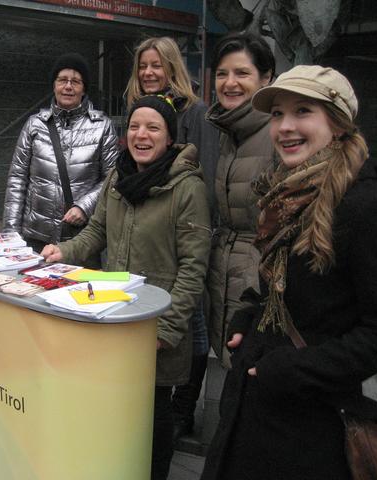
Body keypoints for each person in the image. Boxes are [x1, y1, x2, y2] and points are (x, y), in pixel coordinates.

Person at [201, 65, 377, 479]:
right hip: (256, 414)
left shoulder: (364, 205)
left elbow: (375, 334)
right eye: (278, 114)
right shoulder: (284, 194)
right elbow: (282, 290)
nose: (285, 126)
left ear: (337, 124)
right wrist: (250, 314)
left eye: (303, 112)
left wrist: (292, 371)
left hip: (311, 431)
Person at [42, 95, 210, 479]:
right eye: (134, 126)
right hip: (116, 313)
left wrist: (166, 330)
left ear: (169, 138)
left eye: (153, 128)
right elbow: (97, 232)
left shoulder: (187, 189)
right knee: (119, 410)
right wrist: (63, 250)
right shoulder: (118, 178)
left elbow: (193, 267)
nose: (141, 135)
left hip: (158, 325)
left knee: (153, 412)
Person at [125, 35, 219, 440]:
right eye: (143, 65)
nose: (148, 72)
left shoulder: (195, 112)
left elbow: (205, 175)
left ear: (172, 68)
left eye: (157, 65)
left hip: (183, 229)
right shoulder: (135, 107)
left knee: (189, 329)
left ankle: (183, 408)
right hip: (145, 234)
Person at [205, 32, 276, 368]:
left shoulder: (280, 135)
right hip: (225, 274)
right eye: (221, 74)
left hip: (260, 286)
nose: (229, 83)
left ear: (267, 79)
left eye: (242, 73)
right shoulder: (229, 134)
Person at [2, 52, 118, 257]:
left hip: (79, 239)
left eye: (76, 81)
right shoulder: (34, 125)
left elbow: (112, 179)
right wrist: (10, 234)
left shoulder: (103, 127)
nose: (68, 86)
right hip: (35, 236)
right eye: (62, 80)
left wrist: (84, 207)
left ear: (84, 89)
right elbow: (17, 180)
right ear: (54, 85)